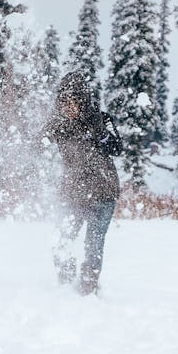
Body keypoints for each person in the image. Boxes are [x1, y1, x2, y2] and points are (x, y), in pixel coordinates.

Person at [44, 71, 122, 295]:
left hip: (103, 192)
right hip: (72, 193)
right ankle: (66, 286)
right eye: (63, 101)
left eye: (73, 101)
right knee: (62, 241)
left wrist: (99, 132)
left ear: (83, 101)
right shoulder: (58, 125)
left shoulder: (102, 119)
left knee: (93, 244)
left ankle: (88, 288)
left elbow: (117, 148)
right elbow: (37, 144)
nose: (68, 106)